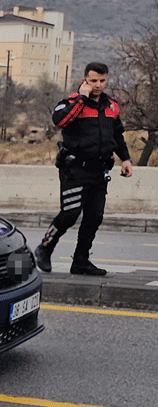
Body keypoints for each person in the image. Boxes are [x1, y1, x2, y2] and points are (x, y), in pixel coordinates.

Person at [35, 62, 134, 276]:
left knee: (94, 216)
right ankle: (45, 248)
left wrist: (126, 159)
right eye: (93, 81)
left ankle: (80, 260)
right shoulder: (70, 103)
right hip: (75, 169)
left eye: (102, 81)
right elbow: (60, 122)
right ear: (85, 80)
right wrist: (81, 97)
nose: (98, 85)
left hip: (100, 170)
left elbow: (117, 135)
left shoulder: (112, 106)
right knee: (70, 214)